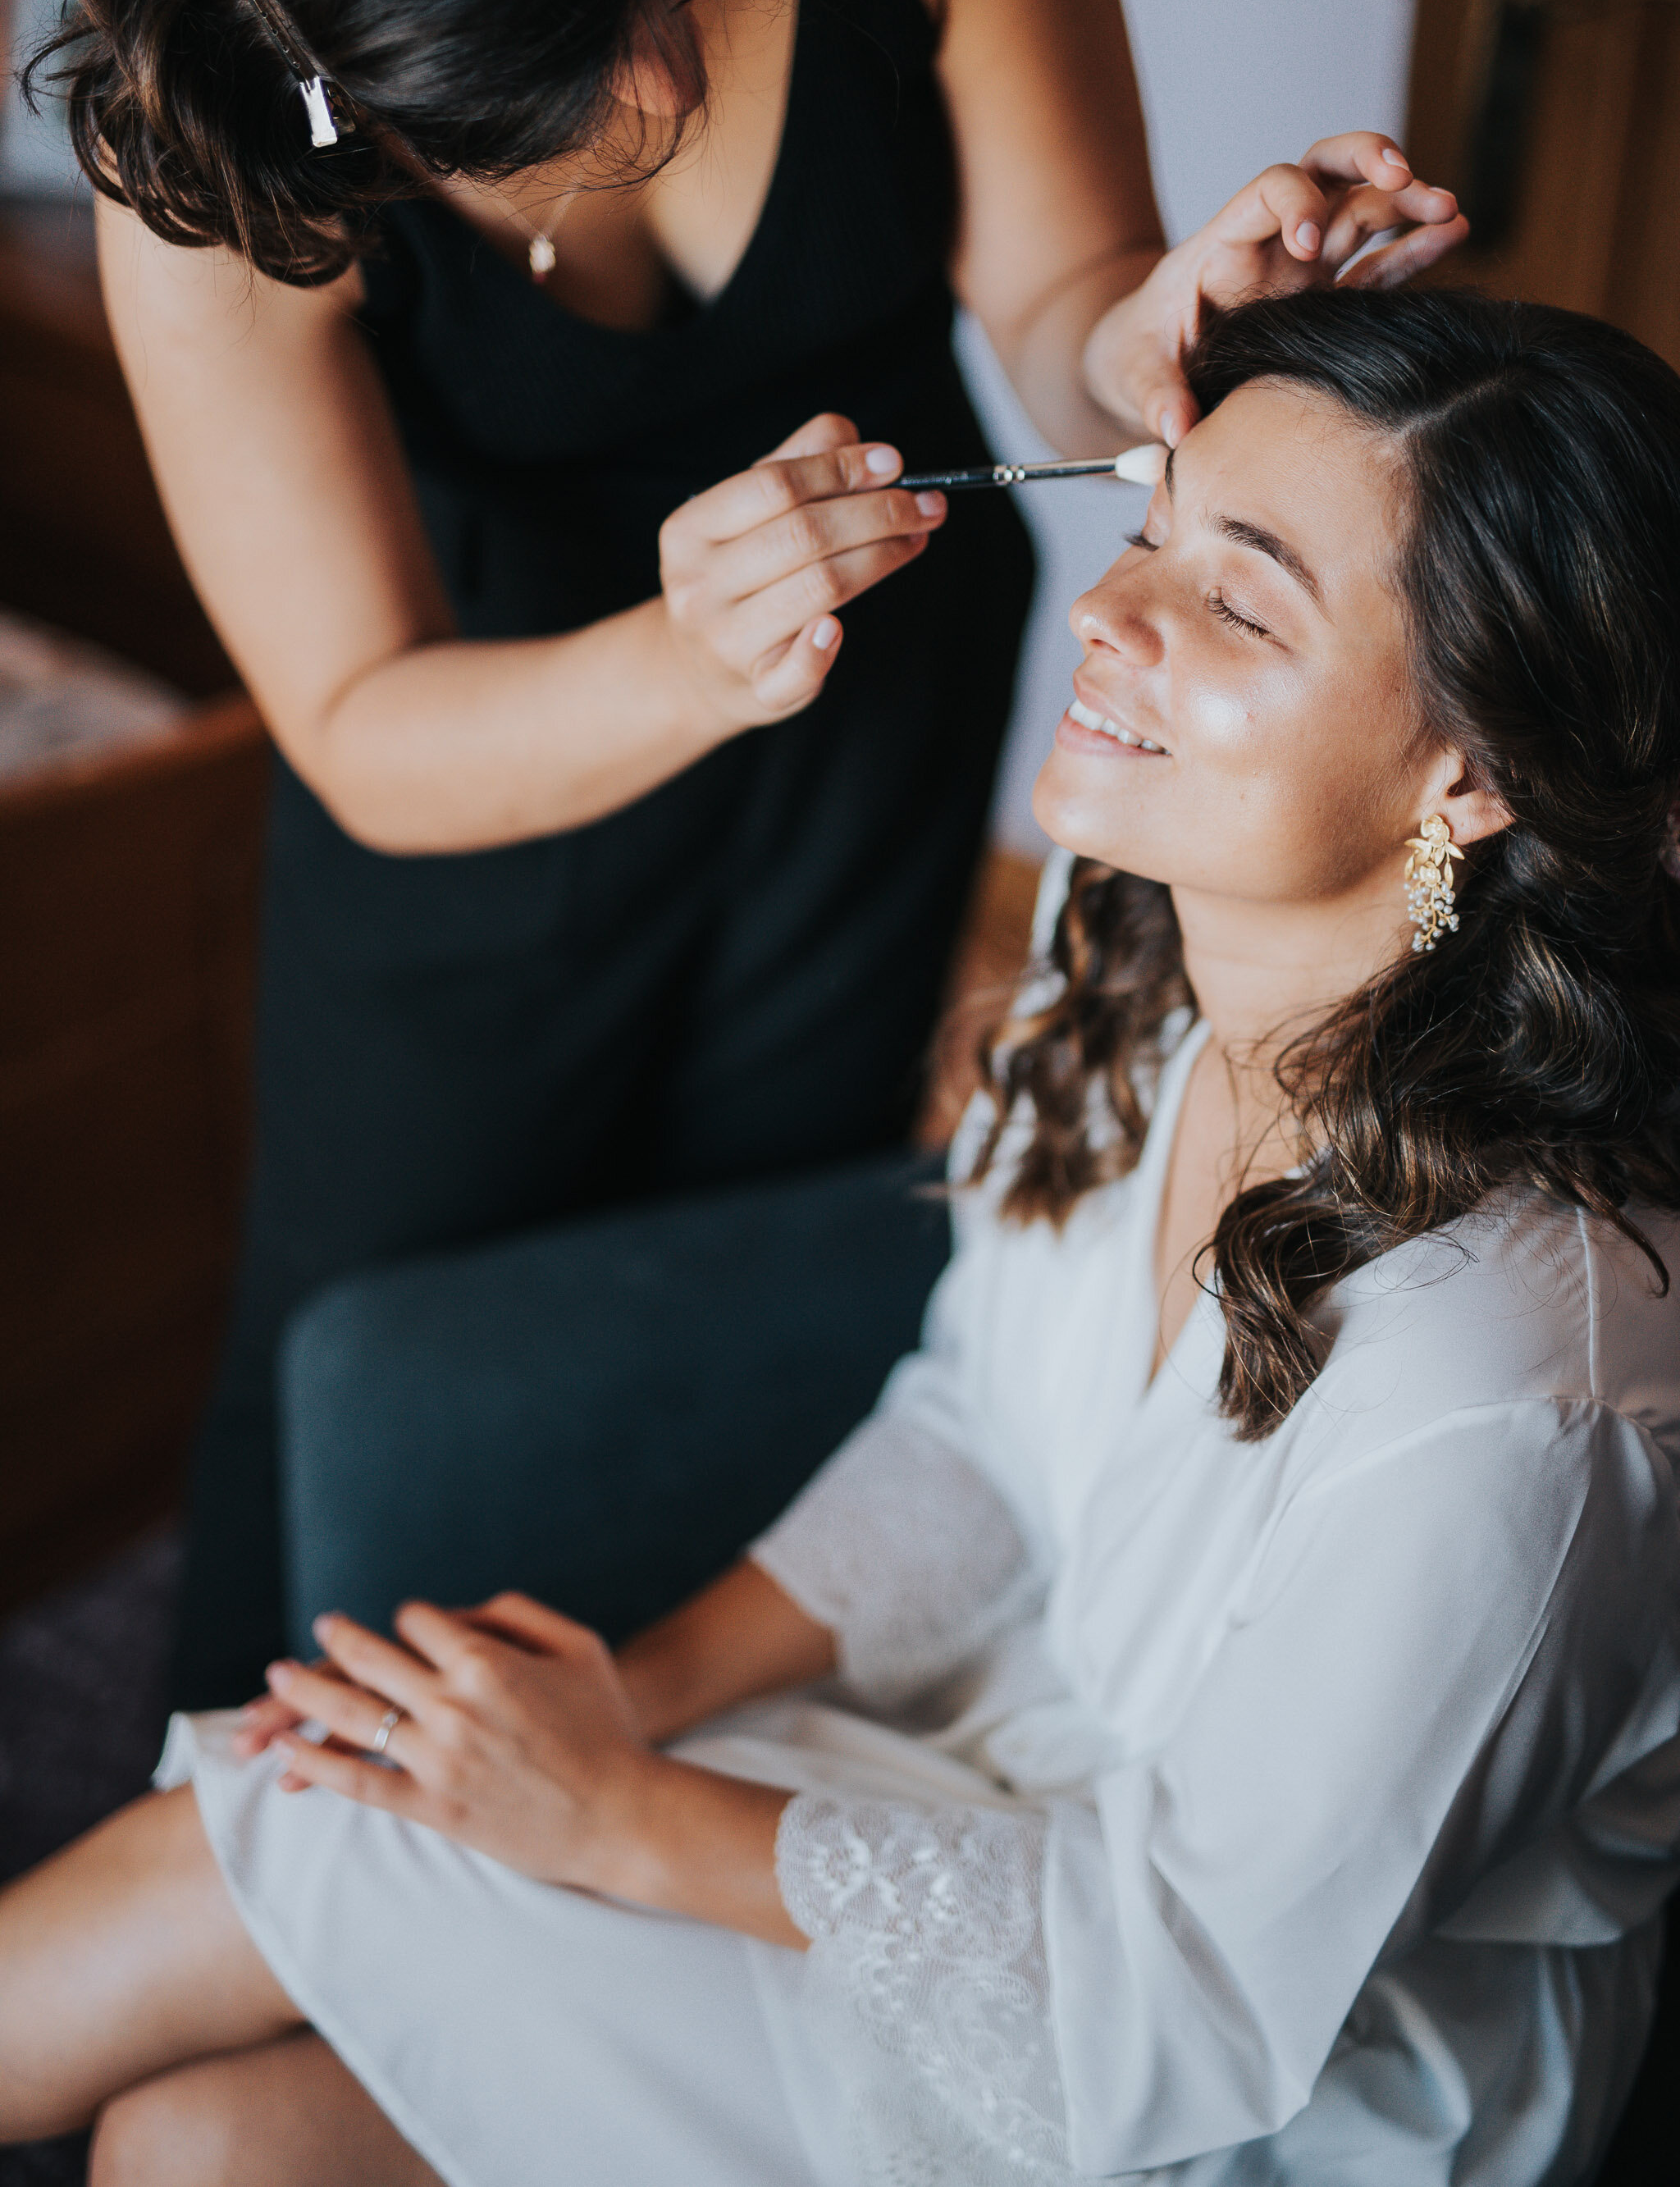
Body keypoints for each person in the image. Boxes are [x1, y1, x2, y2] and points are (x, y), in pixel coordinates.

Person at [6, 282, 1679, 2186]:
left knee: (309, 1840)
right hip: (1004, 1776)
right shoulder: (1137, 948)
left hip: (1265, 2075)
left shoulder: (1511, 1400)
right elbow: (976, 1432)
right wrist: (630, 1700)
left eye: (1237, 600)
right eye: (1150, 530)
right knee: (199, 2139)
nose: (1105, 614)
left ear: (1471, 773)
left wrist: (618, 1812)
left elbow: (1195, 1989)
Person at [0, 0, 1467, 1704]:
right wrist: (681, 661)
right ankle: (282, 1874)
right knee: (352, 1370)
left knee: (758, 1321)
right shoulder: (226, 110)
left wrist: (1153, 335)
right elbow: (361, 718)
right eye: (550, 59)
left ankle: (650, 1804)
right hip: (471, 780)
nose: (662, 85)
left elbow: (1055, 308)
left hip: (867, 734)